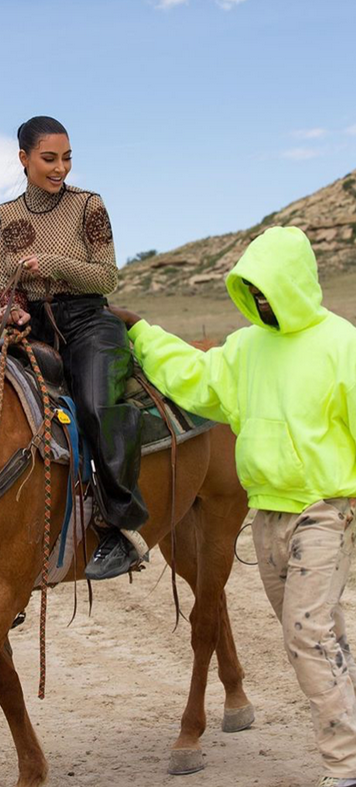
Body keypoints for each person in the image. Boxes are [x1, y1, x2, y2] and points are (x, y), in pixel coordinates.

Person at [118, 226, 356, 787]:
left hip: (325, 510)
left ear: (295, 283)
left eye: (271, 288)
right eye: (254, 289)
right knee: (323, 636)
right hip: (266, 516)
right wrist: (144, 334)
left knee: (307, 636)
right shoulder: (247, 347)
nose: (264, 299)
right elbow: (197, 381)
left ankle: (344, 768)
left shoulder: (341, 344)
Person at [0, 115, 148, 580]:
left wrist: (55, 263)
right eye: (49, 159)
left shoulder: (88, 206)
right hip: (34, 328)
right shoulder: (4, 216)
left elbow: (106, 276)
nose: (60, 168)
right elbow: (7, 285)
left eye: (67, 158)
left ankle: (123, 528)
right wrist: (12, 310)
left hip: (87, 322)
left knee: (98, 405)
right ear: (23, 159)